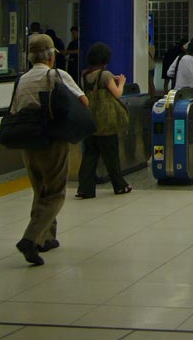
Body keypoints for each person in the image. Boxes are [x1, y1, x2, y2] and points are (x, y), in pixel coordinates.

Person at [12, 33, 89, 266]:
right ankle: (30, 238)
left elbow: (15, 109)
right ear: (51, 56)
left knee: (40, 190)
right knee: (55, 192)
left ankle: (46, 238)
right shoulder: (56, 75)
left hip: (27, 141)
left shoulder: (22, 79)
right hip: (52, 140)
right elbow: (83, 101)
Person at [76, 42, 131, 199]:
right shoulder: (105, 75)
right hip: (106, 122)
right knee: (111, 156)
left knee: (90, 155)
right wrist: (121, 82)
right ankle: (120, 186)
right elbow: (117, 94)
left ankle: (85, 189)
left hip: (90, 121)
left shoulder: (84, 75)